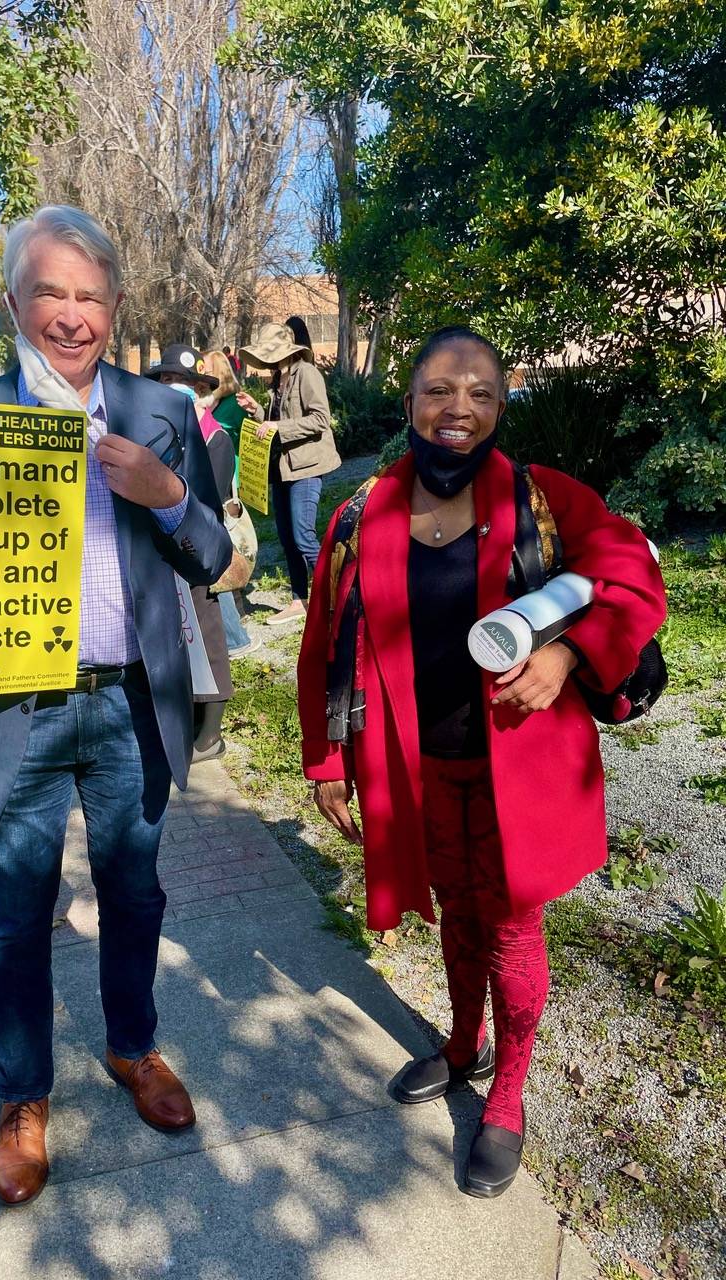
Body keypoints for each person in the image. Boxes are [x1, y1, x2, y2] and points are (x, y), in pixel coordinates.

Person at [0, 207, 232, 1208]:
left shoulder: (159, 413)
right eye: (51, 292)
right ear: (13, 301)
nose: (72, 314)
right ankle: (22, 1095)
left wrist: (163, 490)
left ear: (115, 304)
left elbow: (217, 557)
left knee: (135, 893)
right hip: (12, 707)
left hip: (130, 704)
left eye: (91, 294)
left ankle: (132, 1045)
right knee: (14, 918)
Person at [297, 326, 666, 1198]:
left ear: (503, 404)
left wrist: (569, 656)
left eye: (479, 394)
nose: (457, 409)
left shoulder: (545, 497)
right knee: (453, 915)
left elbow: (634, 579)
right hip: (412, 761)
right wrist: (324, 763)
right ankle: (462, 1045)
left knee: (509, 928)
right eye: (438, 391)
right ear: (409, 398)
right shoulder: (363, 514)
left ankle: (509, 1089)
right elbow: (322, 645)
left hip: (521, 766)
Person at [145, 343, 234, 757]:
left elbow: (210, 500)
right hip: (161, 553)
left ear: (200, 388)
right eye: (166, 380)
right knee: (177, 639)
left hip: (198, 554)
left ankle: (210, 734)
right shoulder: (154, 433)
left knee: (208, 636)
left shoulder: (214, 437)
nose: (174, 387)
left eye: (184, 382)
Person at [237, 322, 340, 627]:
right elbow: (276, 422)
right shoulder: (278, 378)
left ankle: (338, 597)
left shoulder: (306, 373)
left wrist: (277, 427)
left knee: (303, 536)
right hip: (282, 468)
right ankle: (300, 599)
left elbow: (321, 419)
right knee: (286, 538)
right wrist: (257, 411)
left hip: (307, 467)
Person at [201, 348, 258, 658]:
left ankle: (235, 634)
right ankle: (236, 607)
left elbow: (245, 434)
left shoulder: (232, 404)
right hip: (221, 467)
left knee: (224, 547)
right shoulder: (217, 404)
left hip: (226, 467)